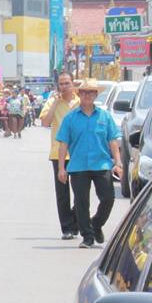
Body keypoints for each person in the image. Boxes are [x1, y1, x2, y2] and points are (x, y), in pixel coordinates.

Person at [56, 79, 122, 249]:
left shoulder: (104, 116)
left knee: (108, 198)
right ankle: (87, 236)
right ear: (79, 94)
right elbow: (63, 144)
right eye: (84, 92)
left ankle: (96, 223)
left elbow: (113, 141)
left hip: (101, 165)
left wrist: (118, 163)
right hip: (78, 166)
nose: (87, 95)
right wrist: (61, 168)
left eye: (91, 92)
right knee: (81, 203)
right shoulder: (70, 118)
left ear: (96, 95)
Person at [40, 73, 80, 239]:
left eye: (67, 83)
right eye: (61, 84)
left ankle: (76, 220)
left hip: (78, 151)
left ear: (73, 84)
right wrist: (56, 102)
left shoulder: (80, 101)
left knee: (80, 192)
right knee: (62, 193)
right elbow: (45, 123)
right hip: (59, 153)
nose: (64, 86)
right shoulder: (52, 102)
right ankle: (67, 228)